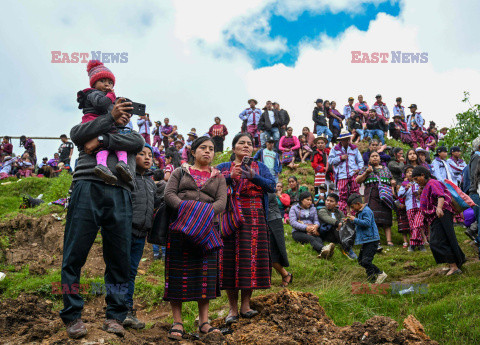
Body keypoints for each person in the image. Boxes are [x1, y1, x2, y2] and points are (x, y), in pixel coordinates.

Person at [60, 98, 144, 339]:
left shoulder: (131, 134)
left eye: (127, 111)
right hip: (87, 186)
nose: (124, 114)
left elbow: (137, 142)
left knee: (119, 257)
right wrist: (107, 121)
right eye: (119, 109)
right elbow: (77, 135)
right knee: (74, 254)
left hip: (121, 192)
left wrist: (101, 140)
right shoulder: (90, 123)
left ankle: (115, 315)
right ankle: (72, 314)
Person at [163, 136, 227, 339]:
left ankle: (204, 322)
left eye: (211, 149)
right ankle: (177, 322)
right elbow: (169, 194)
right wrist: (189, 209)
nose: (207, 151)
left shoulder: (219, 177)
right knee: (177, 274)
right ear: (193, 151)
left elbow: (221, 203)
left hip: (207, 229)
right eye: (203, 148)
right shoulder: (180, 172)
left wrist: (201, 214)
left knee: (205, 276)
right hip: (181, 228)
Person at [217, 133, 275, 325]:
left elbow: (272, 186)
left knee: (250, 260)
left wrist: (254, 176)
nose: (246, 146)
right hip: (229, 217)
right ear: (233, 148)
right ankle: (232, 309)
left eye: (249, 144)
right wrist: (229, 177)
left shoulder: (260, 167)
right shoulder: (223, 167)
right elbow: (209, 184)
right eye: (241, 143)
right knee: (230, 261)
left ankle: (246, 305)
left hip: (255, 218)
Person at [76, 60, 133, 184]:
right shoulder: (93, 94)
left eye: (110, 82)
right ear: (94, 84)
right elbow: (101, 105)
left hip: (106, 126)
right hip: (94, 123)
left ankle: (123, 164)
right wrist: (111, 96)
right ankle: (102, 165)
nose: (107, 85)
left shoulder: (106, 98)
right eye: (102, 81)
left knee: (117, 142)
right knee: (106, 144)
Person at [123, 144, 156, 330]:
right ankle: (115, 310)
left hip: (140, 235)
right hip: (124, 232)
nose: (147, 157)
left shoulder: (150, 181)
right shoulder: (127, 178)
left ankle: (127, 310)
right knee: (119, 270)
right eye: (141, 154)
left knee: (131, 272)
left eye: (150, 155)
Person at [412, 166, 466, 275]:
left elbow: (440, 196)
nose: (416, 182)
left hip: (441, 214)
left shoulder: (432, 182)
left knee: (438, 241)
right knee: (444, 238)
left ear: (423, 175)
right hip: (436, 215)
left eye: (416, 179)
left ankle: (454, 266)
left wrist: (439, 208)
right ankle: (456, 263)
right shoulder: (427, 185)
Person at [346, 193, 387, 283]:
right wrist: (350, 220)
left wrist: (355, 219)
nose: (352, 209)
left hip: (372, 240)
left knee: (366, 261)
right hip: (366, 240)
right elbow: (359, 223)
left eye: (352, 207)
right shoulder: (360, 212)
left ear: (358, 203)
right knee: (361, 260)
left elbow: (367, 223)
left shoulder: (366, 211)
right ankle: (372, 277)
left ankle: (378, 274)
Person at [356, 152, 395, 246]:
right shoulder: (365, 168)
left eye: (376, 156)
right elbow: (358, 180)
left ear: (380, 158)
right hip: (371, 194)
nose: (374, 158)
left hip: (385, 195)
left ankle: (389, 241)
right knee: (374, 217)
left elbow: (391, 180)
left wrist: (393, 183)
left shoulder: (386, 169)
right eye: (372, 156)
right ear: (369, 159)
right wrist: (366, 173)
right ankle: (376, 240)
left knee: (387, 217)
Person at [289, 191, 335, 258]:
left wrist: (316, 226)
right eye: (307, 200)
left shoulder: (313, 208)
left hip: (312, 230)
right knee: (311, 238)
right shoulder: (294, 208)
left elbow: (316, 220)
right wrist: (306, 228)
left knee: (319, 239)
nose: (310, 202)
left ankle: (323, 253)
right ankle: (324, 249)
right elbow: (293, 222)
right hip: (298, 232)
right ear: (301, 200)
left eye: (310, 200)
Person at [329, 130, 364, 214]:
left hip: (353, 174)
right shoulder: (335, 149)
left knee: (355, 193)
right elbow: (330, 161)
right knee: (342, 195)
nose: (346, 141)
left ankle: (355, 213)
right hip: (341, 175)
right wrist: (340, 158)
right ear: (341, 140)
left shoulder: (354, 148)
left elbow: (360, 161)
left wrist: (359, 170)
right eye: (344, 139)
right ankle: (343, 214)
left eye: (348, 139)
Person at [318, 193, 357, 259]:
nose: (328, 203)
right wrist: (338, 223)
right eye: (327, 200)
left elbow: (343, 220)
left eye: (331, 201)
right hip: (327, 233)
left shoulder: (339, 212)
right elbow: (328, 219)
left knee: (350, 224)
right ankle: (347, 249)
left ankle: (350, 243)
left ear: (336, 204)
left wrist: (342, 223)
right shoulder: (322, 210)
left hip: (339, 232)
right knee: (334, 227)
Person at [398, 165, 427, 251]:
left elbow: (424, 193)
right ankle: (420, 244)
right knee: (412, 226)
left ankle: (412, 243)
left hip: (419, 207)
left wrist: (419, 193)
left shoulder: (419, 183)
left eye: (412, 171)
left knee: (417, 224)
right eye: (408, 172)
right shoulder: (404, 185)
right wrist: (406, 189)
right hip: (409, 207)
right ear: (405, 175)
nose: (410, 173)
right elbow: (400, 195)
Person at [267, 193, 292, 287]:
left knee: (271, 253)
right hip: (263, 221)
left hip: (273, 222)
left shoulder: (267, 187)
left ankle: (285, 274)